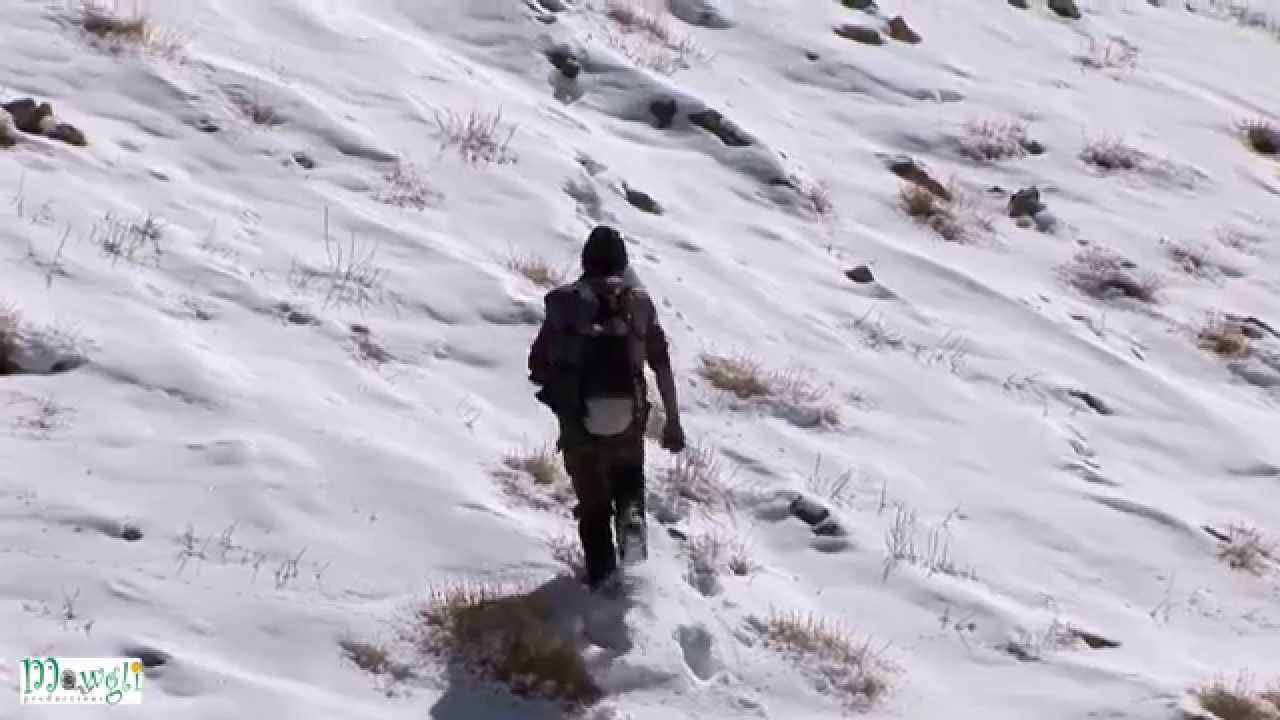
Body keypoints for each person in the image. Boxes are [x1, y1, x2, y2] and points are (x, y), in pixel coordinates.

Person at [528, 225, 686, 591]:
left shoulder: (561, 302)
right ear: (623, 262)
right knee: (629, 481)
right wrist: (673, 423)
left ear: (585, 260)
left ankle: (603, 586)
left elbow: (537, 365)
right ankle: (635, 561)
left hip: (579, 420)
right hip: (629, 417)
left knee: (594, 507)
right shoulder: (640, 303)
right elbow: (661, 365)